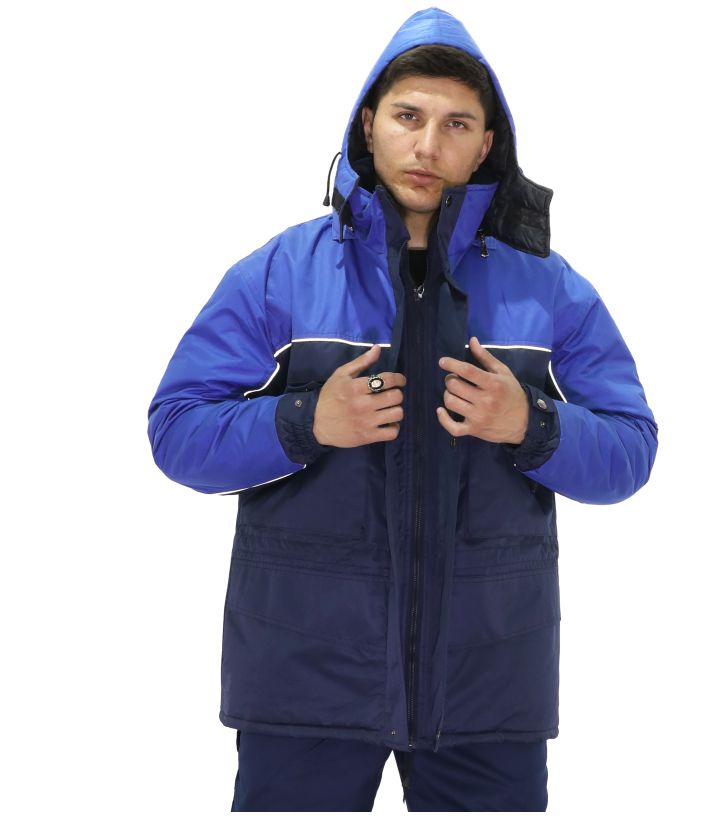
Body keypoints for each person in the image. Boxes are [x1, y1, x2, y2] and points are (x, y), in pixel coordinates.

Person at [147, 6, 658, 812]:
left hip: (487, 687)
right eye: (407, 117)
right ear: (368, 125)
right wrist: (303, 421)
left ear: (484, 145)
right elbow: (177, 429)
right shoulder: (279, 274)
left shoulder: (548, 287)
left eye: (456, 124)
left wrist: (531, 424)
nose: (427, 145)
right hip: (304, 677)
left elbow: (630, 449)